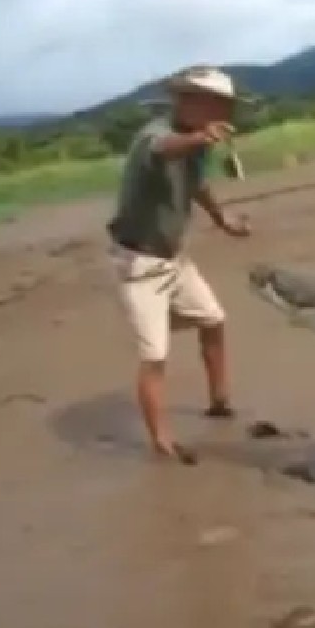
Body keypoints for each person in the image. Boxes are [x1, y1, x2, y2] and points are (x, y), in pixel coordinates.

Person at [106, 65, 252, 464]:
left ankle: (220, 401)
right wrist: (199, 137)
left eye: (224, 105)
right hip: (139, 264)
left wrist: (223, 220)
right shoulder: (153, 136)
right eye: (213, 103)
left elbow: (197, 182)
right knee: (155, 355)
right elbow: (165, 149)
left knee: (214, 320)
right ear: (186, 101)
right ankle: (162, 441)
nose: (221, 111)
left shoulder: (198, 144)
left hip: (174, 258)